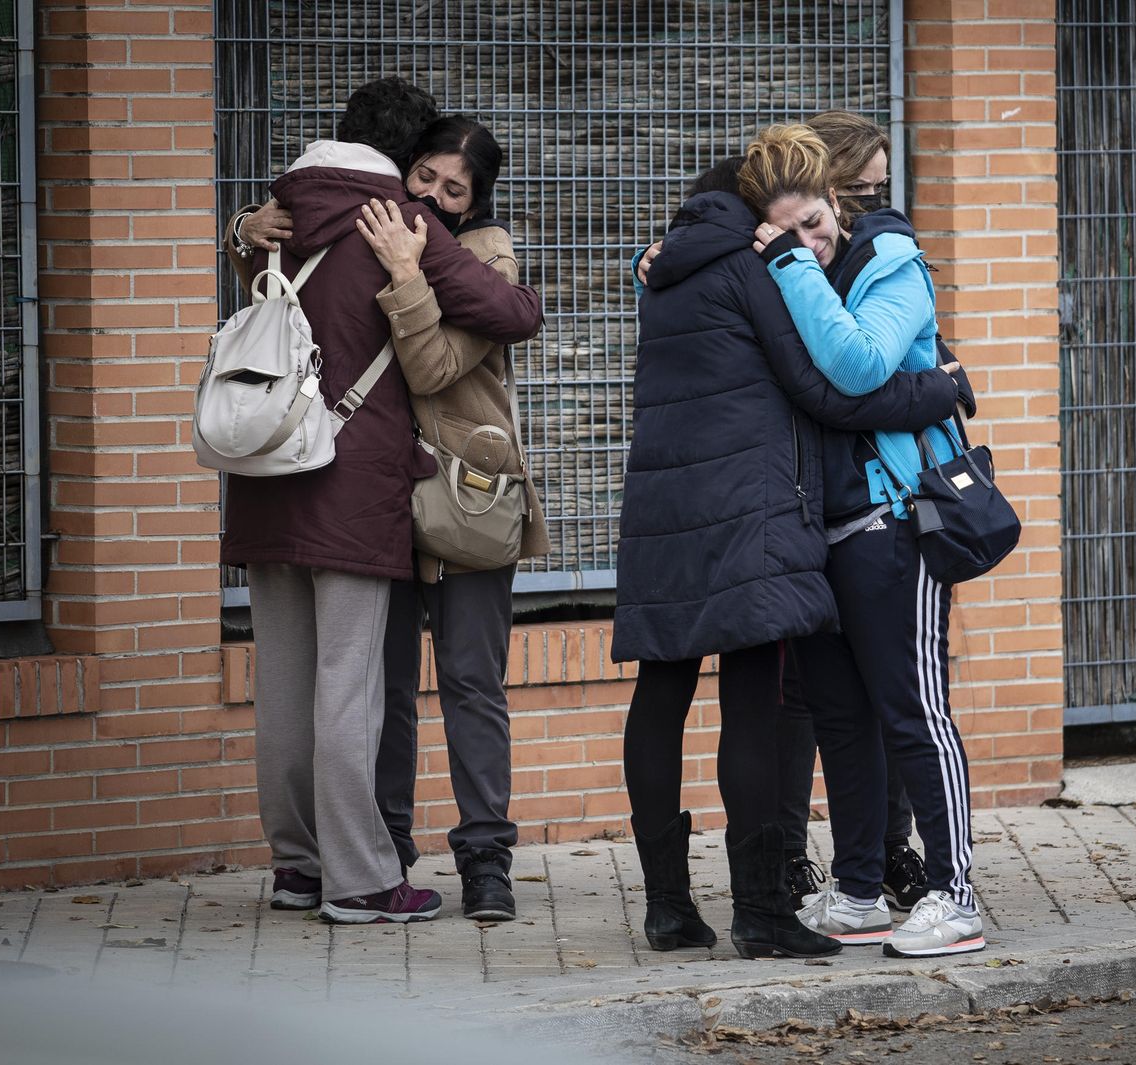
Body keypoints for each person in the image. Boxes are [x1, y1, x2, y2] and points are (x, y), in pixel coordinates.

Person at [613, 156, 962, 959]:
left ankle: (667, 907)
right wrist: (941, 389)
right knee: (754, 701)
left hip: (663, 508)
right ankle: (762, 909)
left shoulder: (663, 269)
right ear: (752, 212)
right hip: (749, 508)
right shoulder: (753, 268)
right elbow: (826, 389)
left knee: (660, 691)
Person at [220, 78, 543, 924]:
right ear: (402, 163)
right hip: (351, 483)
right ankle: (362, 878)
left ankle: (297, 866)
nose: (430, 196)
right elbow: (514, 310)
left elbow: (252, 271)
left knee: (283, 685)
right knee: (349, 687)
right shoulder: (397, 219)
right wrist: (415, 256)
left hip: (264, 470)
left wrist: (239, 230)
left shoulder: (279, 209)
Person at [739, 124, 983, 958]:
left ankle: (956, 895)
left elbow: (857, 366)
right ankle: (856, 890)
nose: (807, 240)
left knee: (913, 711)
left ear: (837, 205)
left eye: (815, 222)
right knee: (842, 720)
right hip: (822, 536)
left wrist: (792, 262)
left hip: (892, 525)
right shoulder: (797, 268)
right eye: (787, 229)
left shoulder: (889, 263)